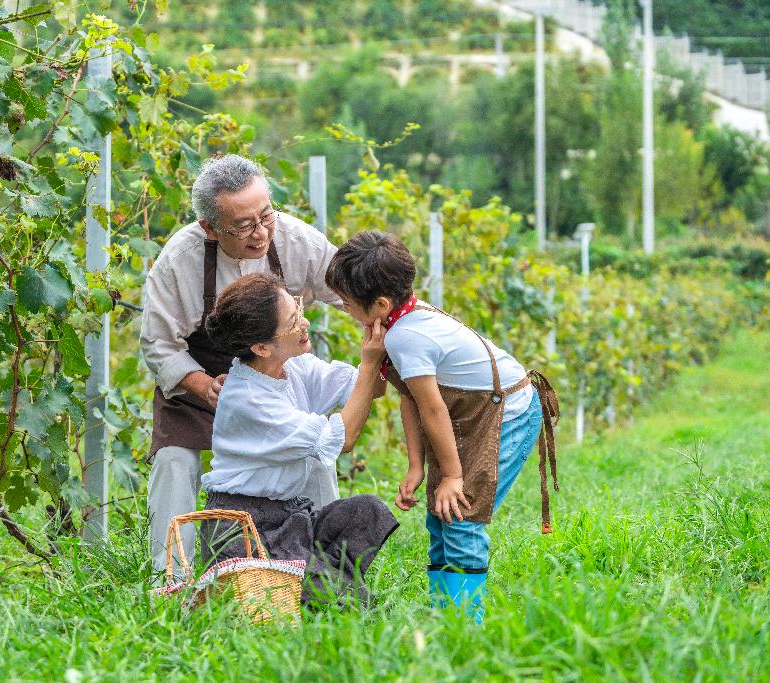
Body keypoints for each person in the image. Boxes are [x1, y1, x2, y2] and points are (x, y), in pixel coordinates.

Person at [324, 231, 560, 623]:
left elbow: (433, 409)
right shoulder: (402, 321)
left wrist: (451, 475)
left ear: (380, 305)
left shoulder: (406, 336)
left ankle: (466, 628)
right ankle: (445, 618)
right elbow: (410, 397)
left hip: (508, 413)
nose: (345, 311)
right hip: (474, 414)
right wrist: (418, 466)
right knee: (441, 513)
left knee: (461, 517)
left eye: (347, 305)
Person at [140, 154, 342, 577]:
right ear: (210, 227)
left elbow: (348, 288)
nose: (261, 232)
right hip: (202, 385)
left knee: (316, 458)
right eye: (244, 226)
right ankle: (171, 579)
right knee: (174, 460)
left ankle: (328, 571)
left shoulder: (295, 240)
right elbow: (158, 344)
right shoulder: (180, 259)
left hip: (276, 380)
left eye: (266, 216)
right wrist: (201, 385)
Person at [199, 272, 398, 604]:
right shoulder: (248, 398)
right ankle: (317, 585)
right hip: (245, 530)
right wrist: (370, 362)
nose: (304, 322)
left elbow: (369, 387)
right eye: (293, 321)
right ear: (262, 347)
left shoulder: (294, 366)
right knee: (351, 602)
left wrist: (376, 339)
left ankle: (316, 582)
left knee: (368, 511)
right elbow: (343, 439)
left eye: (298, 308)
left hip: (288, 517)